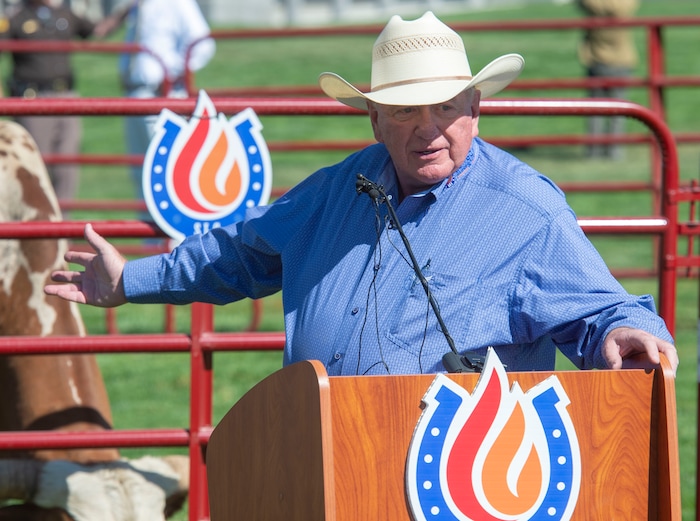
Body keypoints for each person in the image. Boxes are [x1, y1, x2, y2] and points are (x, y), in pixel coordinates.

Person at [44, 11, 678, 377]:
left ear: (475, 109)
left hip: (449, 480)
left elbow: (599, 313)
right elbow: (240, 253)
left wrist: (627, 331)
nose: (426, 129)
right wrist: (132, 279)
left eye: (445, 108)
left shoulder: (523, 209)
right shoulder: (333, 191)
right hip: (321, 455)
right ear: (374, 120)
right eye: (404, 111)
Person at [0, 0, 127, 215]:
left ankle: (61, 229)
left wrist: (126, 10)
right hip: (32, 100)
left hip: (66, 98)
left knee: (67, 168)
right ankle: (35, 230)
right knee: (34, 169)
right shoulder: (16, 17)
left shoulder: (65, 15)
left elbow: (99, 30)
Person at [116, 0, 215, 211]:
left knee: (162, 174)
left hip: (160, 95)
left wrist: (171, 73)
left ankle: (170, 240)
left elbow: (203, 43)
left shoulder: (178, 3)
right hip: (134, 94)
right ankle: (149, 241)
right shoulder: (139, 5)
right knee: (141, 175)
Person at [577, 0, 640, 160]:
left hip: (596, 56)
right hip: (621, 59)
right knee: (618, 109)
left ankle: (594, 150)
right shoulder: (623, 5)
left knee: (594, 108)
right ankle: (614, 150)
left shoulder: (593, 5)